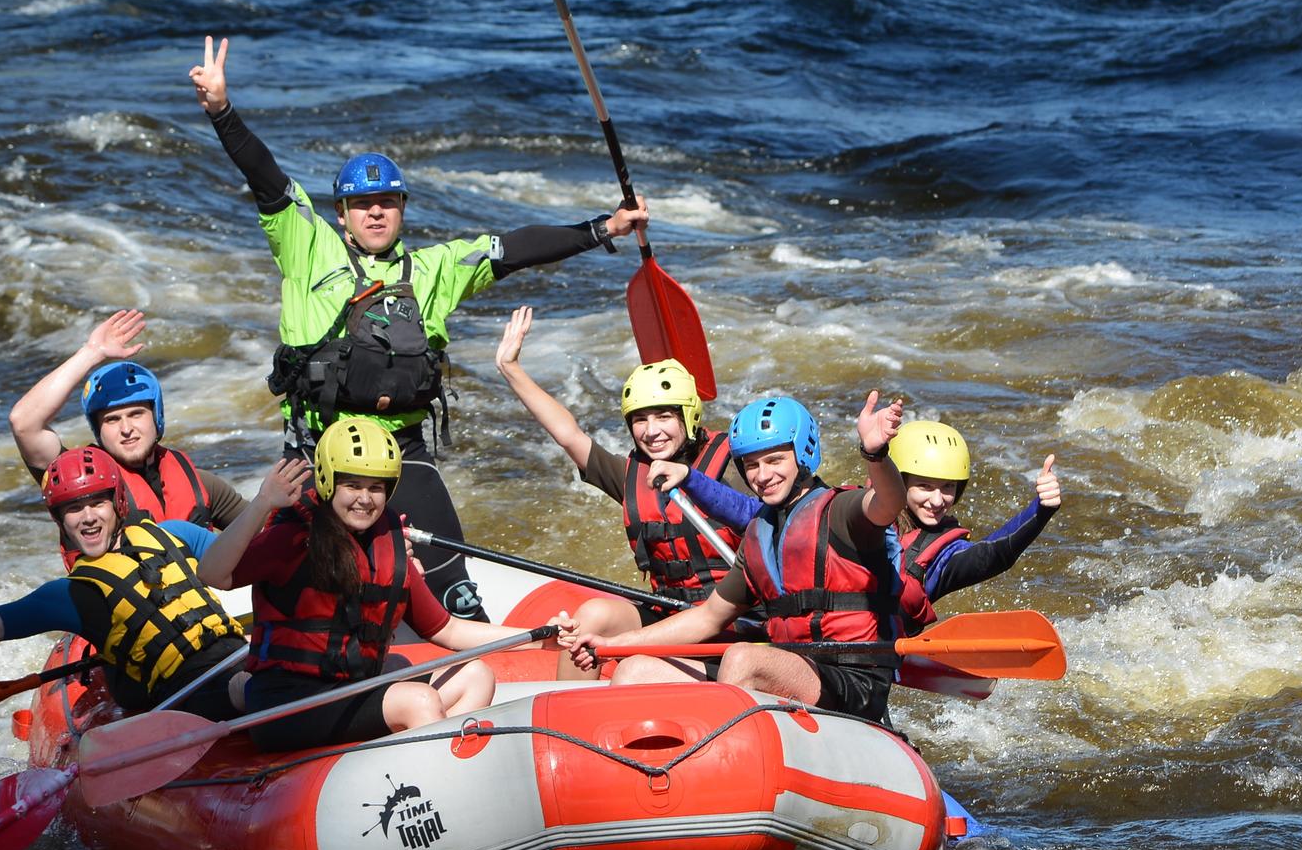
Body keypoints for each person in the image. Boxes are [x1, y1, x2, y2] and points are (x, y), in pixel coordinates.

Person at [188, 35, 649, 620]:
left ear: (402, 208)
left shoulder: (433, 270)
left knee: (455, 586)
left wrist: (603, 227)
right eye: (362, 203)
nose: (375, 211)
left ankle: (466, 664)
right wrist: (222, 111)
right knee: (295, 594)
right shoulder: (304, 243)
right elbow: (265, 174)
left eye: (387, 201)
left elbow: (512, 248)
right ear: (341, 213)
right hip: (313, 454)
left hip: (401, 454)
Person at [562, 393, 910, 724]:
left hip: (851, 679)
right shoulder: (760, 535)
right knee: (636, 670)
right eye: (752, 465)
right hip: (789, 663)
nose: (762, 475)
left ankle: (722, 764)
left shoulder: (842, 512)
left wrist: (874, 454)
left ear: (803, 454)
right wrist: (612, 646)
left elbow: (887, 502)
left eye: (775, 460)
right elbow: (707, 619)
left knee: (742, 658)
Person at [216, 417, 555, 752]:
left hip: (351, 688)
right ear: (328, 481)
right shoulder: (292, 538)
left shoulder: (388, 547)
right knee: (417, 701)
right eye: (353, 485)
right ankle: (434, 780)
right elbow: (214, 574)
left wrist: (541, 637)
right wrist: (261, 504)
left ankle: (414, 765)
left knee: (476, 676)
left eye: (376, 487)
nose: (365, 498)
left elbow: (448, 630)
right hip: (287, 703)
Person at [0, 445, 292, 721]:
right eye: (73, 509)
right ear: (60, 521)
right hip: (182, 698)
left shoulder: (173, 534)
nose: (87, 517)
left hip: (238, 656)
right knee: (249, 687)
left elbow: (249, 564)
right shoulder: (69, 595)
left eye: (96, 503)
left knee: (283, 669)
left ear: (118, 504)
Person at [493, 305, 750, 677]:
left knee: (637, 668)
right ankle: (565, 721)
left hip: (735, 625)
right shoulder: (632, 474)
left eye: (664, 417)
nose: (651, 431)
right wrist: (510, 369)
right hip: (668, 614)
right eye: (640, 420)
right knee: (592, 617)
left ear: (688, 416)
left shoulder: (736, 466)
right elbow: (569, 436)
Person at [7, 309, 249, 543]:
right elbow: (24, 423)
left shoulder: (200, 484)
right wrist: (92, 352)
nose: (126, 429)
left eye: (136, 414)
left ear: (156, 418)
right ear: (97, 429)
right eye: (112, 419)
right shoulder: (78, 481)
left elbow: (262, 529)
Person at [887, 421, 1061, 630]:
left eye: (948, 487)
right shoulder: (860, 511)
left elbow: (992, 554)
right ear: (898, 481)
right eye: (925, 485)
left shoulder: (942, 555)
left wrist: (1041, 509)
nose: (937, 500)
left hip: (878, 655)